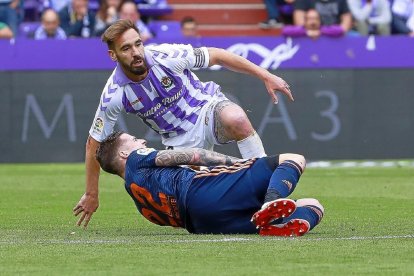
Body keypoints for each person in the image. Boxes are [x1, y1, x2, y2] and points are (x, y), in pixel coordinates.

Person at [76, 19, 294, 227]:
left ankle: (268, 193)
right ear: (113, 55)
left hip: (206, 109)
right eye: (126, 48)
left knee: (236, 118)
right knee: (198, 201)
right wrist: (91, 193)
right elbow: (94, 142)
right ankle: (253, 213)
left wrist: (265, 75)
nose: (136, 52)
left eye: (138, 44)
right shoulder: (114, 93)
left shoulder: (167, 55)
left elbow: (216, 56)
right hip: (179, 141)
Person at [73, 131, 324, 236]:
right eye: (134, 140)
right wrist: (238, 165)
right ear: (124, 155)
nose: (141, 142)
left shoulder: (140, 204)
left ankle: (275, 222)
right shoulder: (137, 159)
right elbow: (195, 155)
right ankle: (271, 204)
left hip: (203, 224)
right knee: (293, 159)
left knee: (313, 206)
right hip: (201, 191)